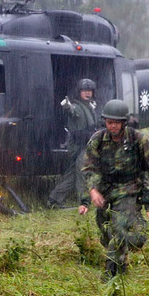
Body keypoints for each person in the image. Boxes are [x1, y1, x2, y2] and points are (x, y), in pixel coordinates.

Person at [79, 99, 149, 281]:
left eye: (117, 122)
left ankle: (110, 276)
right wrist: (92, 191)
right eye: (109, 122)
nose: (113, 126)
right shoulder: (98, 140)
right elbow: (88, 168)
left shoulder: (138, 140)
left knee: (122, 231)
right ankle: (121, 264)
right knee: (106, 232)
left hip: (129, 190)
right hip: (105, 191)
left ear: (124, 122)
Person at [48, 78, 99, 208]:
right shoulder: (76, 107)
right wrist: (67, 106)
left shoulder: (89, 106)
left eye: (90, 90)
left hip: (85, 145)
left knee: (71, 175)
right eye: (84, 90)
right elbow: (71, 111)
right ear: (79, 92)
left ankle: (54, 200)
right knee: (82, 172)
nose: (88, 93)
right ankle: (84, 202)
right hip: (79, 146)